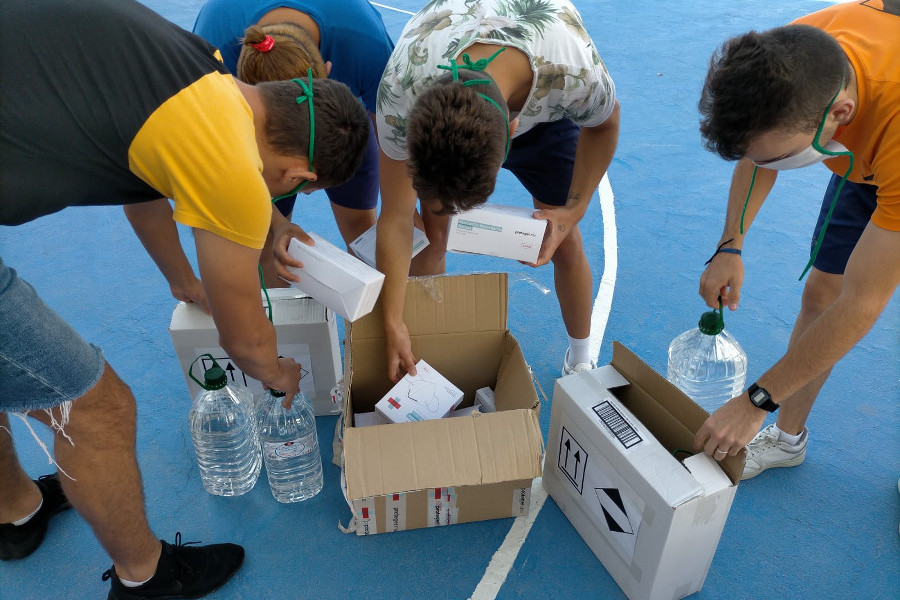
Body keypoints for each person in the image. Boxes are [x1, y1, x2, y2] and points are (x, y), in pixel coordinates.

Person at [0, 1, 368, 599]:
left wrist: (185, 280)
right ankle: (145, 578)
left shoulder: (207, 70)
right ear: (300, 177)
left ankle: (13, 512)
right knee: (96, 408)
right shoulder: (231, 168)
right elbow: (244, 339)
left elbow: (144, 187)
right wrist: (280, 372)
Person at [692, 0, 899, 479]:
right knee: (821, 294)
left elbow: (863, 303)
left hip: (892, 149)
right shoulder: (790, 54)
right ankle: (788, 441)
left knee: (859, 297)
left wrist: (756, 401)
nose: (768, 164)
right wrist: (730, 245)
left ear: (840, 114)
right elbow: (758, 150)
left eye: (780, 156)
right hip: (866, 160)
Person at [373, 0, 620, 382]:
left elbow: (605, 124)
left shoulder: (571, 68)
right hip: (447, 91)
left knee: (564, 243)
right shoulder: (400, 91)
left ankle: (581, 357)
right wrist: (391, 321)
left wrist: (573, 211)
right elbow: (395, 217)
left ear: (513, 127)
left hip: (545, 112)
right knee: (432, 236)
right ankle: (427, 343)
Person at [179, 0, 395, 288]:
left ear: (328, 72)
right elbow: (218, 163)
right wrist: (276, 223)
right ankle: (283, 320)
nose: (305, 189)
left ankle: (364, 326)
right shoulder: (210, 60)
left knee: (363, 236)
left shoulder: (367, 46)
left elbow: (392, 135)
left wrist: (400, 210)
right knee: (266, 244)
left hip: (343, 117)